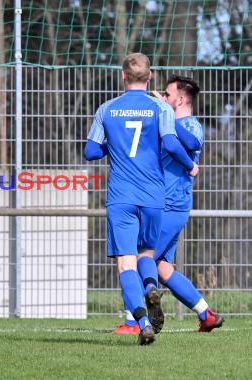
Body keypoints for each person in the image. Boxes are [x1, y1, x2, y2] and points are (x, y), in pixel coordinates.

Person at [84, 53, 199, 345]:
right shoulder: (159, 107)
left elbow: (91, 152)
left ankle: (143, 322)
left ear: (123, 77)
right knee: (147, 254)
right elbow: (171, 143)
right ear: (149, 78)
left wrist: (113, 146)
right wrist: (190, 165)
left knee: (126, 263)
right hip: (153, 196)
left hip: (121, 196)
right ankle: (151, 286)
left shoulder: (107, 109)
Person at [114, 75, 224, 335]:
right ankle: (206, 314)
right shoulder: (166, 123)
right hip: (160, 204)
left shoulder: (191, 125)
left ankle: (133, 321)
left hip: (171, 205)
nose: (163, 97)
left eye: (167, 94)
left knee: (140, 257)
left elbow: (192, 143)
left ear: (181, 99)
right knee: (163, 268)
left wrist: (163, 111)